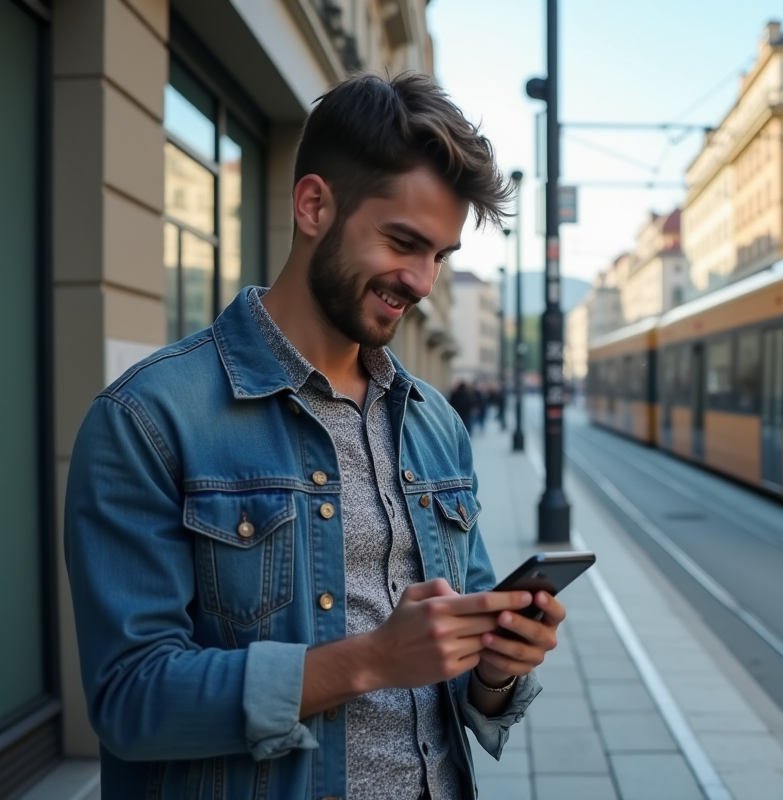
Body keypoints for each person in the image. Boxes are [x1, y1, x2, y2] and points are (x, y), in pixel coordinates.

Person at [64, 73, 564, 800]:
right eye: (403, 242)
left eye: (441, 256)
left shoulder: (435, 424)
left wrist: (497, 667)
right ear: (314, 206)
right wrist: (368, 661)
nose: (422, 281)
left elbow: (458, 671)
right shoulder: (148, 418)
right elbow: (130, 699)